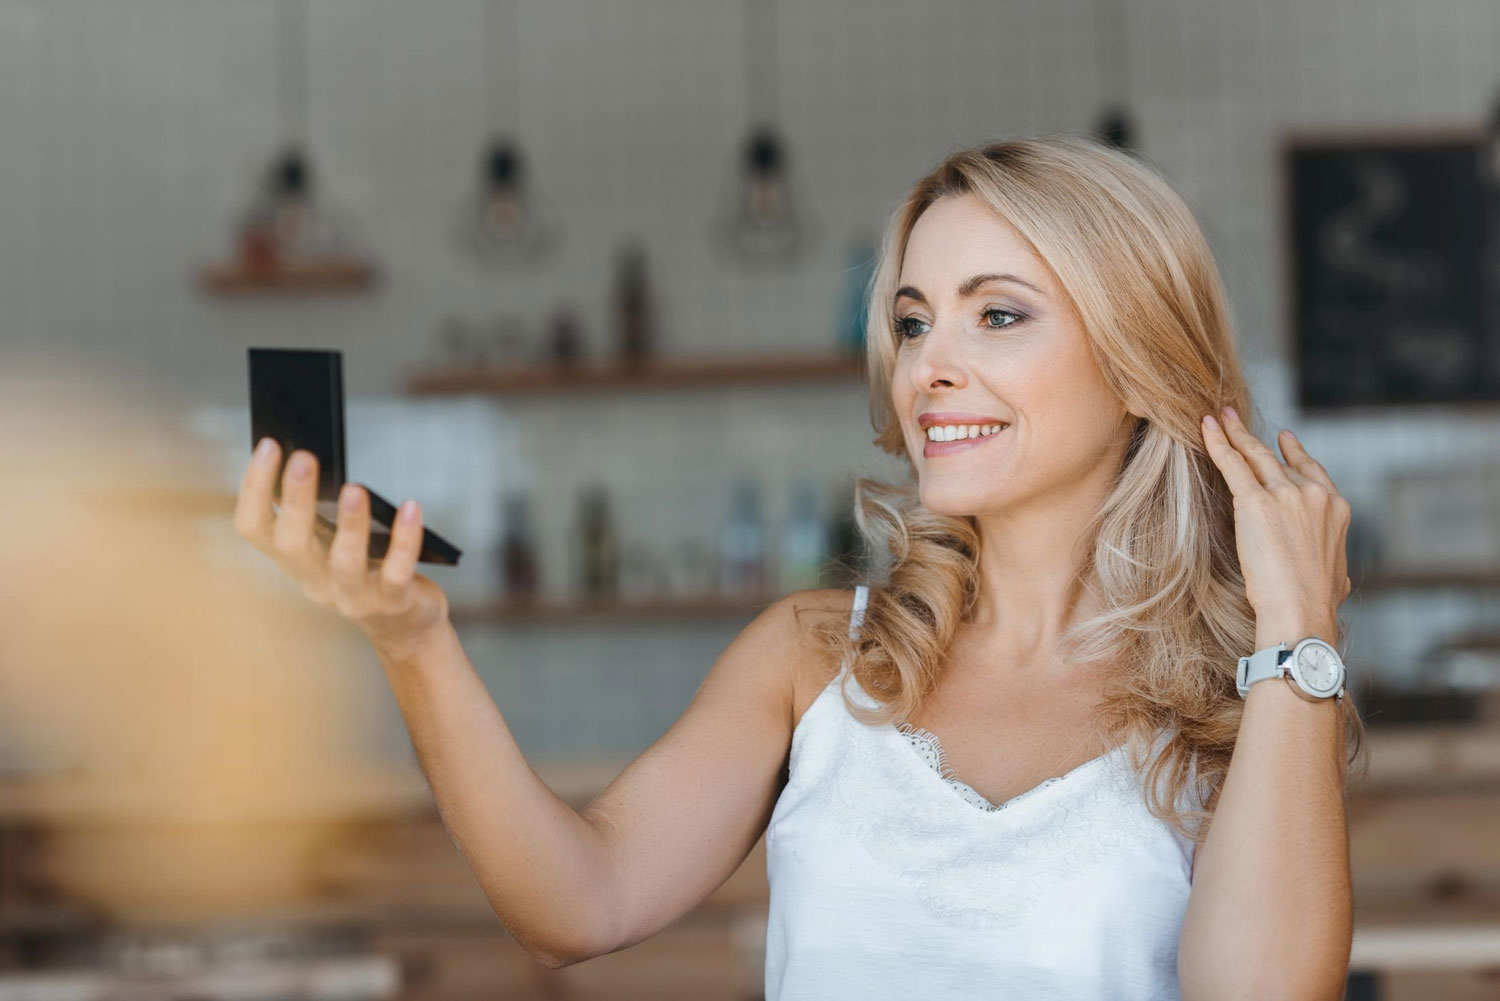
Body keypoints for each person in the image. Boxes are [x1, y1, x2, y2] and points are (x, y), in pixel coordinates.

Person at [234, 134, 1367, 1000]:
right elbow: (574, 903)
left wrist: (1298, 628)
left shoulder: (1248, 694)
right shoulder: (817, 656)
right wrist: (414, 637)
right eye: (916, 322)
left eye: (999, 316)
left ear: (1136, 365)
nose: (933, 367)